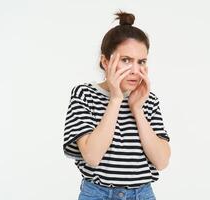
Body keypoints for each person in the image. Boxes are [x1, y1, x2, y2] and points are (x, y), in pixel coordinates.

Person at [63, 10, 171, 200]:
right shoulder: (84, 94)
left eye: (141, 61)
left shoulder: (149, 99)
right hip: (97, 194)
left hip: (142, 194)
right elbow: (92, 156)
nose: (135, 71)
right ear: (105, 61)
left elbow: (161, 161)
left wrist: (137, 109)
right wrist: (115, 99)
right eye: (126, 60)